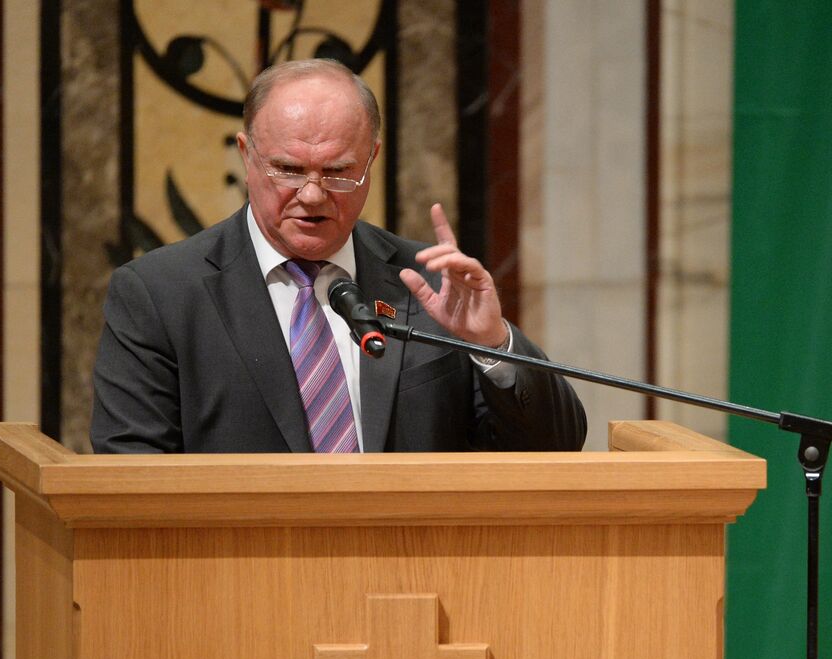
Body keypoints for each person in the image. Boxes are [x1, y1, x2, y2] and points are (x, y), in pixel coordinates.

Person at [91, 58, 586, 454]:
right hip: (237, 572)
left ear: (371, 159)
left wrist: (491, 346)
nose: (312, 194)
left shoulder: (430, 284)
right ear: (246, 155)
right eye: (288, 169)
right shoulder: (160, 295)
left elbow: (557, 446)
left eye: (337, 171)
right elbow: (130, 479)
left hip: (412, 572)